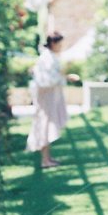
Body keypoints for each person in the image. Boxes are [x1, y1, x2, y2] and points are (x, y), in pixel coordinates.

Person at [27, 32, 78, 167]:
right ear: (53, 43)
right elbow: (46, 79)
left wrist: (65, 76)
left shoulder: (50, 57)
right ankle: (45, 160)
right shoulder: (47, 58)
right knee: (45, 124)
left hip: (50, 96)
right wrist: (63, 75)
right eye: (60, 44)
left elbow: (52, 76)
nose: (61, 47)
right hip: (46, 98)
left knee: (47, 124)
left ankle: (47, 158)